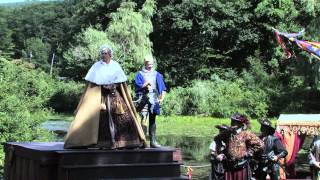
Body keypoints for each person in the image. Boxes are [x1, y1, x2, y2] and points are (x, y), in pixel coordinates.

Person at [64, 44, 146, 149]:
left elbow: (120, 81)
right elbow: (93, 83)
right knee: (101, 120)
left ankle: (126, 142)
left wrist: (113, 85)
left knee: (123, 117)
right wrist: (103, 86)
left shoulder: (116, 65)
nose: (103, 55)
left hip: (115, 96)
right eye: (102, 53)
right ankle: (101, 143)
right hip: (101, 97)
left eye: (106, 53)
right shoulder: (96, 66)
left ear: (110, 54)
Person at [134, 54, 166, 148]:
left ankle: (153, 142)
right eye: (149, 64)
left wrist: (162, 98)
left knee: (153, 120)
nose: (150, 65)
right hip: (143, 99)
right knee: (143, 119)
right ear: (145, 63)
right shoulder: (139, 74)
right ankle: (142, 142)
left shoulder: (157, 74)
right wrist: (145, 84)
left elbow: (162, 88)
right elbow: (137, 87)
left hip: (154, 99)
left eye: (152, 64)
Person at [224, 113, 264, 180]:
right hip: (229, 166)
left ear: (240, 124)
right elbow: (217, 139)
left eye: (234, 122)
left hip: (241, 165)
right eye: (231, 121)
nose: (232, 123)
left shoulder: (246, 133)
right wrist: (221, 152)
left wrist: (249, 152)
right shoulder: (228, 133)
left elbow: (260, 144)